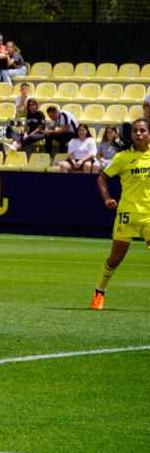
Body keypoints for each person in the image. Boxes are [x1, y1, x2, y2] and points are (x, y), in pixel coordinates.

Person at [91, 118, 150, 310]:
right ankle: (99, 291)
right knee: (115, 259)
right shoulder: (123, 158)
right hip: (127, 214)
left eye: (142, 130)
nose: (138, 134)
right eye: (135, 131)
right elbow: (102, 178)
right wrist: (107, 198)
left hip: (148, 215)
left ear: (149, 134)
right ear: (131, 134)